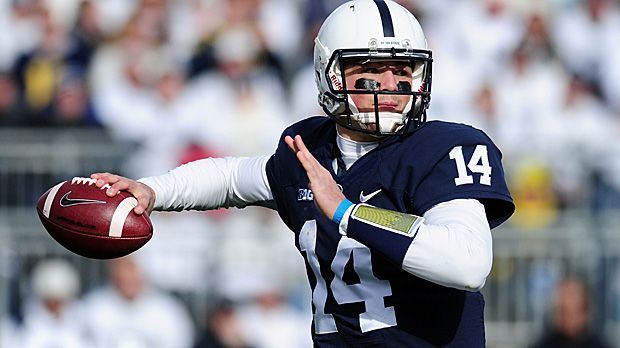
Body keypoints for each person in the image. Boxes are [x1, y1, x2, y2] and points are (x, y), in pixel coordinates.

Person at [91, 0, 515, 346]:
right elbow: (231, 177)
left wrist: (348, 212)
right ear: (330, 74)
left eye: (403, 70)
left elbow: (467, 263)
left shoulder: (442, 149)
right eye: (369, 71)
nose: (389, 84)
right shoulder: (309, 150)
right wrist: (152, 189)